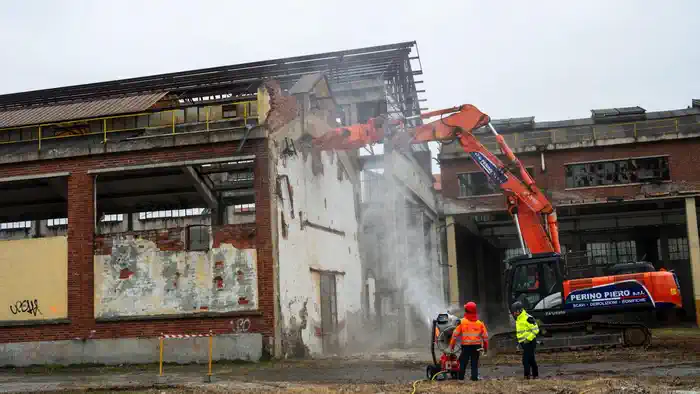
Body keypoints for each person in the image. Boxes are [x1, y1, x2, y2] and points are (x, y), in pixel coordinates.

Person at [449, 301, 489, 381]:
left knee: (463, 362)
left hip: (466, 347)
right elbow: (485, 338)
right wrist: (485, 349)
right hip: (477, 347)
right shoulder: (480, 323)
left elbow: (454, 335)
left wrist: (452, 347)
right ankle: (474, 378)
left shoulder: (462, 322)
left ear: (466, 311)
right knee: (474, 363)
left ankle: (460, 378)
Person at [512, 301, 540, 379]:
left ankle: (527, 376)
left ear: (519, 310)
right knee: (531, 359)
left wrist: (528, 339)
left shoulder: (528, 318)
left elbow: (536, 330)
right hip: (524, 343)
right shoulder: (519, 318)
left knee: (525, 360)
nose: (514, 313)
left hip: (530, 342)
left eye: (515, 311)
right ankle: (535, 375)